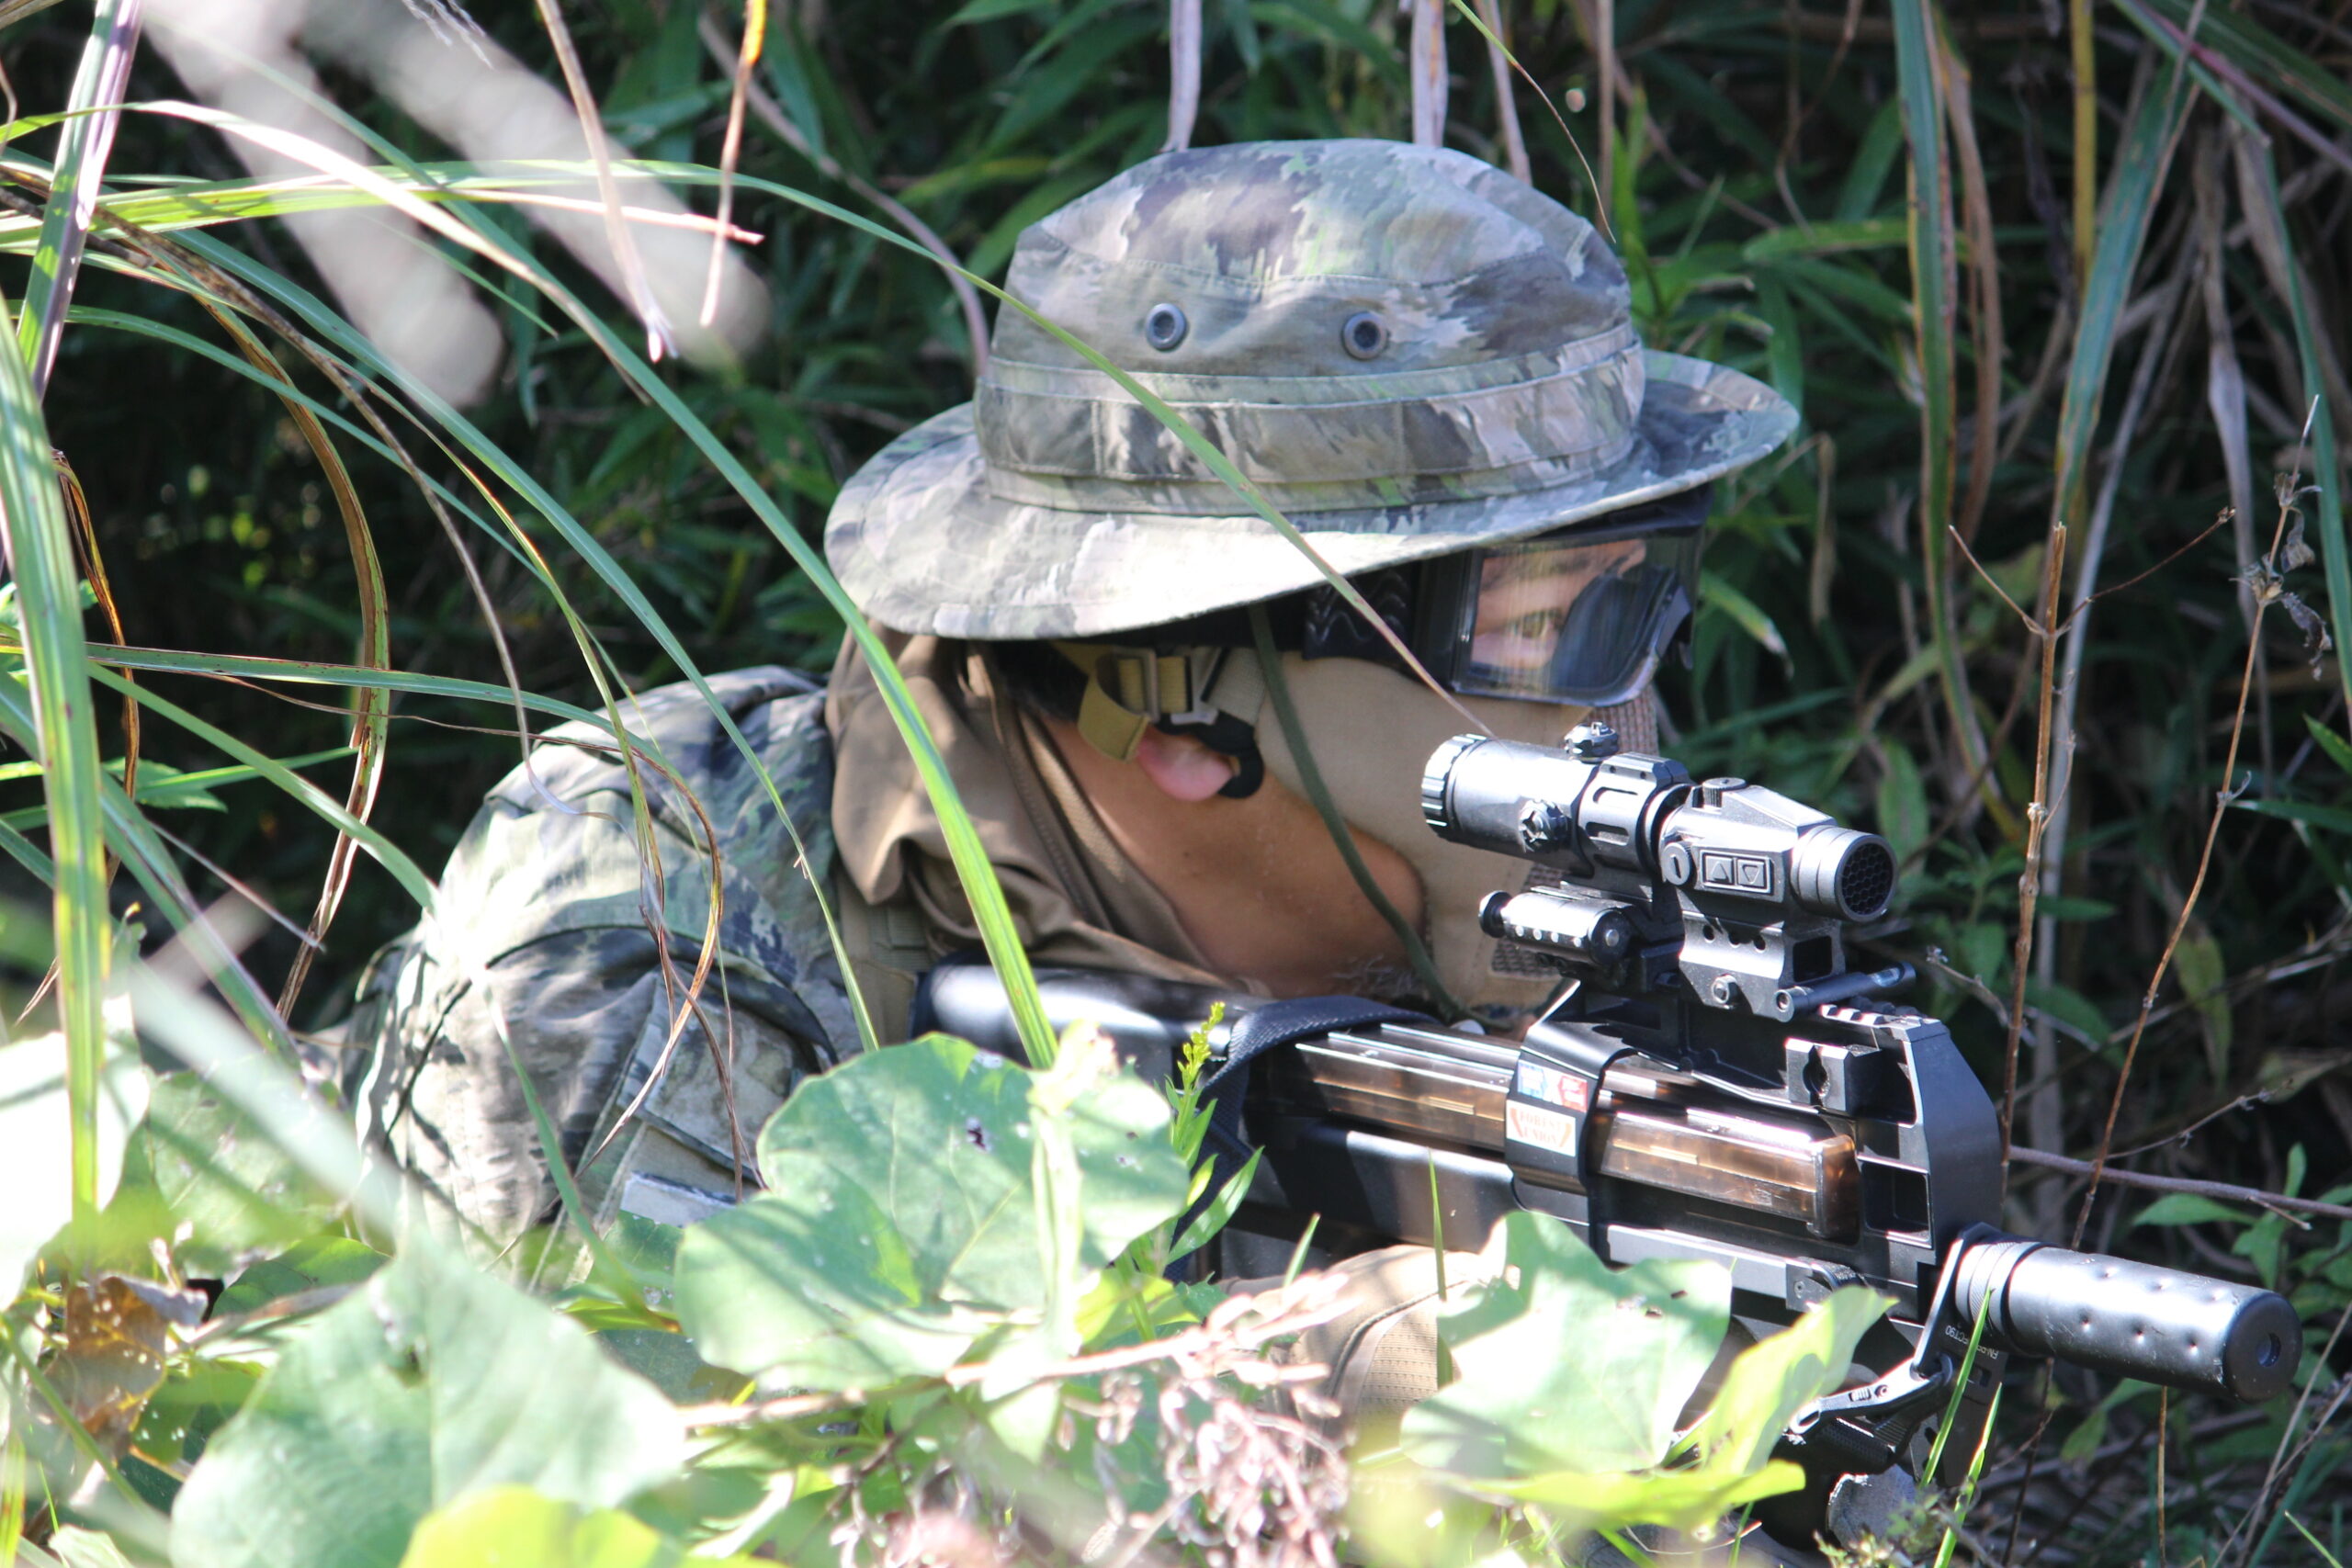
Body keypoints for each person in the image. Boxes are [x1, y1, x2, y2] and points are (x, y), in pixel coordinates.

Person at [344, 140, 1795, 1315]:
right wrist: (1279, 1396)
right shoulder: (656, 941)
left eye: (1651, 600)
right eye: (1543, 629)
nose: (1636, 716)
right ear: (1191, 721)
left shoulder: (1531, 937)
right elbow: (629, 1500)